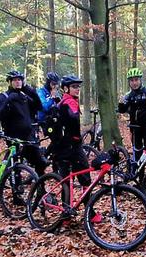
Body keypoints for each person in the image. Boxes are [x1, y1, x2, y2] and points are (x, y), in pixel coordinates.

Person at [51, 75, 101, 223]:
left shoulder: (64, 102)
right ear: (66, 88)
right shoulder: (68, 102)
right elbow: (72, 117)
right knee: (83, 179)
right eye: (74, 87)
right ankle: (89, 214)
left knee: (67, 179)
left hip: (64, 147)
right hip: (70, 147)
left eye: (78, 87)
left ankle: (68, 214)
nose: (77, 89)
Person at [117, 67, 146, 194]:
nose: (134, 82)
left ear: (140, 80)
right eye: (131, 80)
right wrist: (121, 104)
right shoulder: (128, 95)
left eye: (136, 80)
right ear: (129, 82)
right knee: (138, 156)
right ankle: (142, 184)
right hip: (135, 129)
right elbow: (123, 110)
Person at [0, 70, 48, 175]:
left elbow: (39, 106)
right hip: (12, 136)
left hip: (28, 136)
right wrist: (9, 101)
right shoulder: (4, 96)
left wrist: (29, 89)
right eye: (15, 80)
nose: (18, 82)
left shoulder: (24, 96)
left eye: (20, 80)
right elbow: (0, 115)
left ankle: (40, 188)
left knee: (40, 162)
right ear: (10, 82)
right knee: (14, 166)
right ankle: (10, 184)